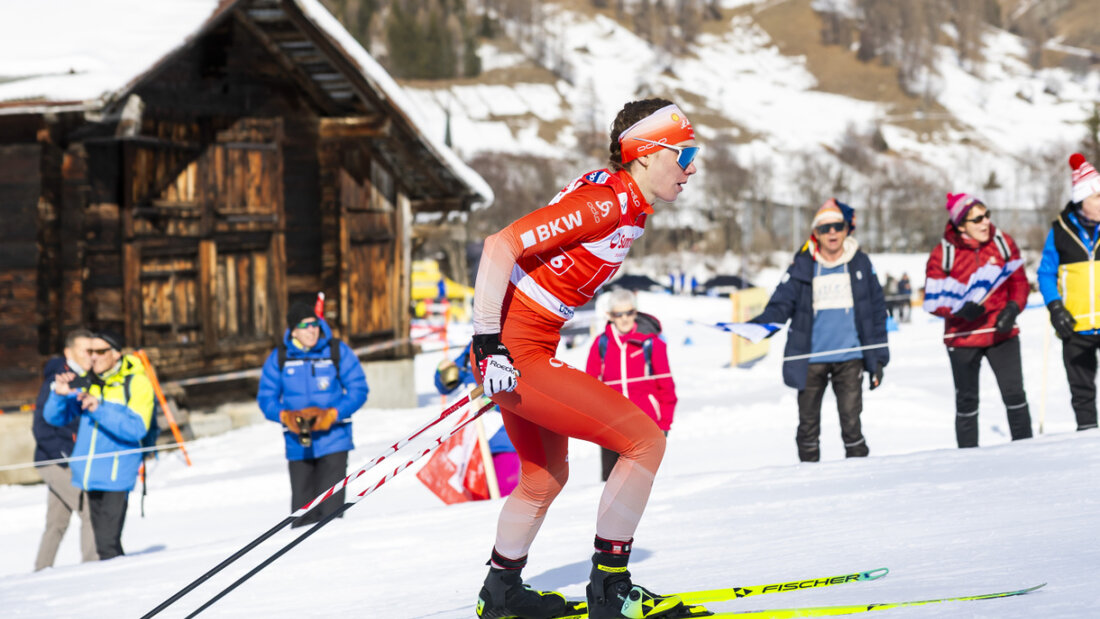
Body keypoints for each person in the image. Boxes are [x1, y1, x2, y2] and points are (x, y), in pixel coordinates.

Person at [470, 98, 698, 619]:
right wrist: (489, 344)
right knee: (645, 441)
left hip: (529, 342)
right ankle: (611, 588)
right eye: (684, 155)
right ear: (646, 153)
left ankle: (501, 591)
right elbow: (500, 244)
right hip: (515, 349)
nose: (691, 168)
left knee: (544, 476)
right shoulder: (606, 203)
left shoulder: (629, 205)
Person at [749, 199, 889, 462]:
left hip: (851, 358)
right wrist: (759, 326)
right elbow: (781, 304)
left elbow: (877, 311)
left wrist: (878, 358)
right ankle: (809, 477)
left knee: (852, 424)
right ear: (816, 233)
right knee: (808, 426)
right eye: (825, 228)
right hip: (810, 359)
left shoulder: (860, 262)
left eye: (837, 226)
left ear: (846, 229)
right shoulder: (803, 264)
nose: (832, 232)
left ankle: (861, 475)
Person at [924, 193, 1032, 447]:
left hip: (1001, 332)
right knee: (967, 402)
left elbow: (1019, 282)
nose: (985, 222)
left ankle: (1026, 451)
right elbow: (933, 298)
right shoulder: (943, 254)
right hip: (962, 338)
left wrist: (1013, 308)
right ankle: (968, 458)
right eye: (977, 219)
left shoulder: (1003, 242)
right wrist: (958, 311)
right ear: (961, 225)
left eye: (987, 215)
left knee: (1015, 395)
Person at [43, 330, 153, 560]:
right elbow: (54, 418)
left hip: (116, 474)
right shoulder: (88, 381)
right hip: (90, 475)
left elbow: (136, 428)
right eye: (90, 351)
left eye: (100, 351)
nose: (93, 357)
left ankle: (124, 580)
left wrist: (98, 409)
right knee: (102, 545)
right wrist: (59, 395)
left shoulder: (136, 382)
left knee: (107, 543)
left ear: (116, 353)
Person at [258, 300, 368, 528]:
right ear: (293, 330)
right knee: (302, 517)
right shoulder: (280, 357)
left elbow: (358, 389)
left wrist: (333, 414)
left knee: (331, 516)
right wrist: (286, 416)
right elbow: (266, 399)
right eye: (304, 326)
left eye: (314, 324)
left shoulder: (336, 351)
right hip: (299, 445)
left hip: (334, 441)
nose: (311, 330)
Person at [584, 289, 677, 482]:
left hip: (645, 423)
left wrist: (664, 423)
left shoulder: (651, 343)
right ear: (610, 316)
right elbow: (589, 386)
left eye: (629, 312)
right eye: (619, 314)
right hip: (612, 425)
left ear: (636, 312)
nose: (625, 318)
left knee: (642, 482)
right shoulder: (601, 343)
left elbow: (666, 386)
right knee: (611, 482)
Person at [1037, 153, 1100, 431]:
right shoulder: (1059, 231)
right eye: (1097, 197)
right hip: (1075, 326)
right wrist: (1055, 307)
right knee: (1082, 393)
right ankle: (1087, 440)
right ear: (1082, 200)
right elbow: (1046, 274)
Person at [32, 328, 98, 570]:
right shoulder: (58, 380)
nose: (91, 355)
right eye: (85, 350)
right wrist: (64, 456)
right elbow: (41, 425)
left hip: (69, 458)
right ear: (69, 352)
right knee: (89, 508)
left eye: (92, 350)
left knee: (57, 521)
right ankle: (94, 566)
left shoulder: (86, 377)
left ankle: (40, 571)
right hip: (56, 460)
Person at [434, 344, 520, 496]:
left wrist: (492, 402)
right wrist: (442, 371)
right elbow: (447, 384)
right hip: (476, 438)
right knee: (478, 495)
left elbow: (521, 386)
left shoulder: (511, 344)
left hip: (504, 435)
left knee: (505, 491)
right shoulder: (472, 349)